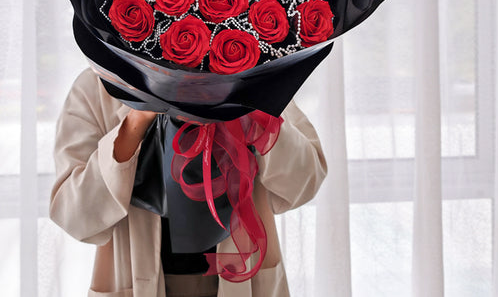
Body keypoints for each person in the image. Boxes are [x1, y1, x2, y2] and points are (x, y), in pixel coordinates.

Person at [49, 68, 327, 297]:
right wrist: (137, 118)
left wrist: (252, 106)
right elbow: (75, 217)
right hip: (133, 280)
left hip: (244, 280)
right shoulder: (100, 83)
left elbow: (305, 183)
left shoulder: (253, 74)